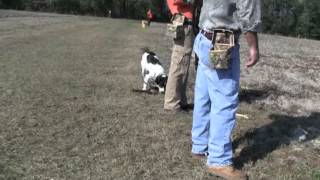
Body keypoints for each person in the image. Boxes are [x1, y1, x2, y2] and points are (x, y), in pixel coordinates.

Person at [191, 0, 261, 179]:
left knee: (203, 96)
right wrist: (253, 47)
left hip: (203, 36)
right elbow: (248, 13)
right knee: (224, 103)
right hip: (222, 41)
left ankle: (200, 145)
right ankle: (219, 161)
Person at [164, 0, 194, 112]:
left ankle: (180, 100)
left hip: (182, 19)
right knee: (179, 61)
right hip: (183, 21)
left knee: (183, 62)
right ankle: (172, 103)